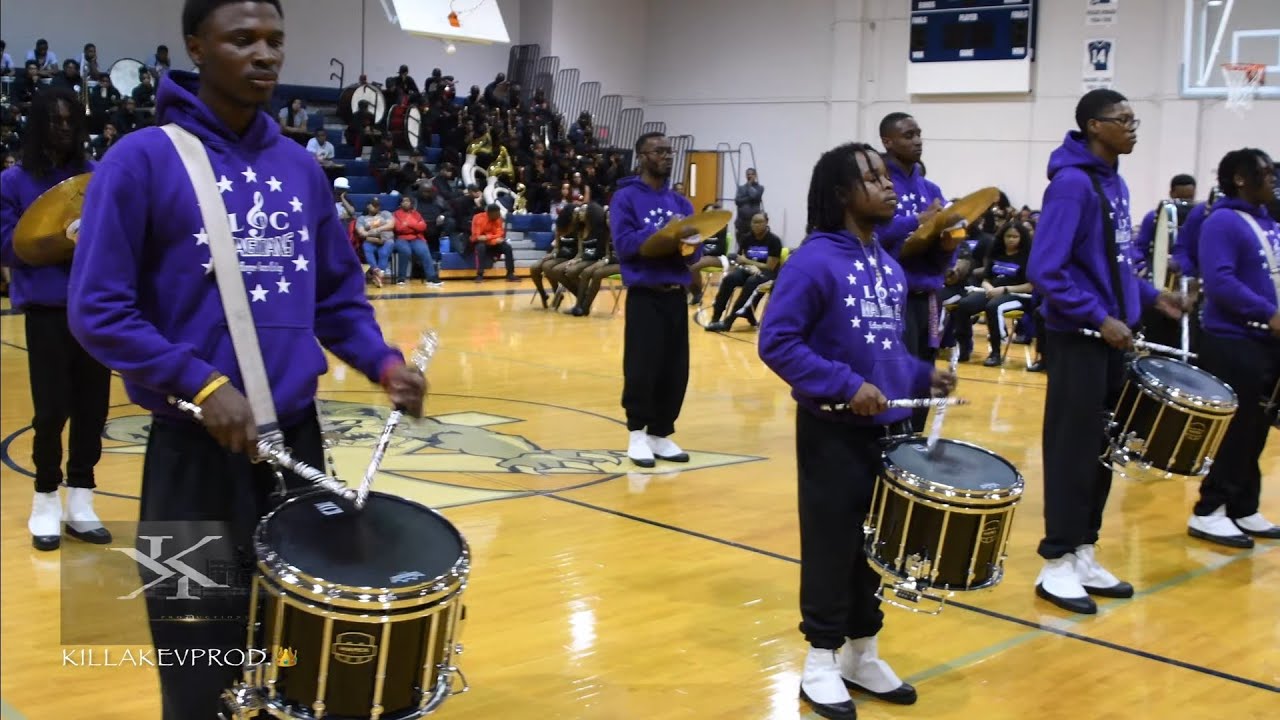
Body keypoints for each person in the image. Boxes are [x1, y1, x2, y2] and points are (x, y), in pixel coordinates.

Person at [65, 2, 428, 717]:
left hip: (298, 448)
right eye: (243, 40)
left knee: (302, 660)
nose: (265, 54)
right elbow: (98, 310)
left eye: (275, 40)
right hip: (193, 459)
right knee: (199, 664)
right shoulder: (139, 161)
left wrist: (383, 363)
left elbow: (335, 297)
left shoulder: (300, 167)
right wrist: (198, 383)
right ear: (197, 47)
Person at [758, 142, 956, 720]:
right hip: (833, 430)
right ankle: (820, 659)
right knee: (831, 543)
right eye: (872, 177)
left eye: (884, 175)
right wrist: (844, 386)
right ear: (843, 194)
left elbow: (884, 351)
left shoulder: (887, 265)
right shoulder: (813, 261)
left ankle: (861, 653)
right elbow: (778, 342)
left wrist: (923, 374)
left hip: (887, 430)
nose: (888, 184)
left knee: (875, 547)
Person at [1027, 88, 1187, 615]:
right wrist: (1098, 317)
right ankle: (1055, 562)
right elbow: (1045, 271)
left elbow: (1113, 266)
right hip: (1079, 340)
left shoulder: (1114, 183)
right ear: (1095, 126)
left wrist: (1152, 297)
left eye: (1134, 119)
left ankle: (1083, 550)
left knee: (1102, 451)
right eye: (1123, 120)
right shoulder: (1072, 185)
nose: (1133, 127)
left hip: (1111, 340)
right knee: (1071, 451)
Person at [0, 87, 112, 551]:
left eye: (71, 120)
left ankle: (81, 501)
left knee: (93, 409)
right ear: (39, 123)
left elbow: (116, 236)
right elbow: (10, 246)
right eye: (55, 119)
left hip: (94, 311)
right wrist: (65, 239)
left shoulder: (95, 175)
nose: (64, 127)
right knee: (51, 412)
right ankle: (45, 498)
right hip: (46, 312)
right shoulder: (13, 182)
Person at [1186, 148, 1280, 547]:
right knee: (1235, 429)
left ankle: (1243, 504)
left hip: (1265, 342)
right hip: (1232, 341)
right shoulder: (1223, 222)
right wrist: (1268, 312)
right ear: (1240, 178)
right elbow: (1221, 283)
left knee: (1257, 428)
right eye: (1264, 172)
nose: (1272, 179)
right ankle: (1211, 509)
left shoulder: (1267, 222)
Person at [611, 131, 701, 467]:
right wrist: (665, 234)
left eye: (669, 151)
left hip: (675, 295)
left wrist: (689, 241)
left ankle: (661, 433)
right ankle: (636, 433)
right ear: (642, 156)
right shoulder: (626, 197)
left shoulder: (681, 203)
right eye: (659, 151)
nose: (666, 156)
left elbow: (694, 251)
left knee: (675, 368)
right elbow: (625, 244)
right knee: (642, 367)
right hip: (645, 295)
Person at [878, 112, 962, 431]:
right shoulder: (880, 185)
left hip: (926, 296)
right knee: (897, 371)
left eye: (918, 134)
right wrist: (918, 221)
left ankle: (913, 440)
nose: (917, 141)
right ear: (887, 141)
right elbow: (875, 234)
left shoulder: (931, 188)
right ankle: (891, 440)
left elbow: (941, 249)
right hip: (890, 297)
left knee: (923, 374)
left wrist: (948, 244)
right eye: (908, 135)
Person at [944, 221, 1035, 366]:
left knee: (993, 307)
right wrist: (988, 287)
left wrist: (1005, 289)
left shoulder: (1028, 257)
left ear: (1022, 238)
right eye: (1008, 236)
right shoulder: (996, 252)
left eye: (1015, 236)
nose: (1011, 239)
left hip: (1017, 295)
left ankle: (995, 352)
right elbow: (986, 278)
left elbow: (1030, 286)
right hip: (992, 291)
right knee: (963, 305)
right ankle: (964, 346)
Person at [705, 212, 782, 332]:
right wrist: (746, 264)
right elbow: (740, 259)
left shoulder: (774, 241)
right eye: (754, 222)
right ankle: (715, 318)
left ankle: (728, 322)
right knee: (729, 279)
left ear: (766, 223)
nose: (756, 225)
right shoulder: (747, 238)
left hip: (768, 274)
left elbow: (770, 267)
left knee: (751, 282)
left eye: (759, 222)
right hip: (748, 269)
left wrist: (750, 263)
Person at [471, 202, 517, 282]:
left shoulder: (498, 219)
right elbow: (477, 237)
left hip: (493, 242)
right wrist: (493, 238)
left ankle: (510, 274)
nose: (498, 215)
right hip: (480, 243)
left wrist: (488, 237)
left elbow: (500, 233)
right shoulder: (478, 218)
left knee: (507, 247)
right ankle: (479, 275)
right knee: (480, 247)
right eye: (496, 214)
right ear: (489, 213)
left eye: (499, 213)